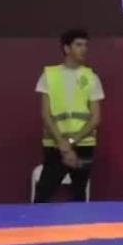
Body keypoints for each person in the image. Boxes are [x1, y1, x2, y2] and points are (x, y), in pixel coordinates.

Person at [34, 29, 104, 203]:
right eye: (78, 45)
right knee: (42, 196)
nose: (84, 49)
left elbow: (95, 118)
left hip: (84, 145)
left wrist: (71, 142)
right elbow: (45, 114)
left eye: (86, 45)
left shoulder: (91, 77)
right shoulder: (49, 75)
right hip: (55, 145)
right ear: (66, 48)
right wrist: (63, 146)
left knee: (79, 195)